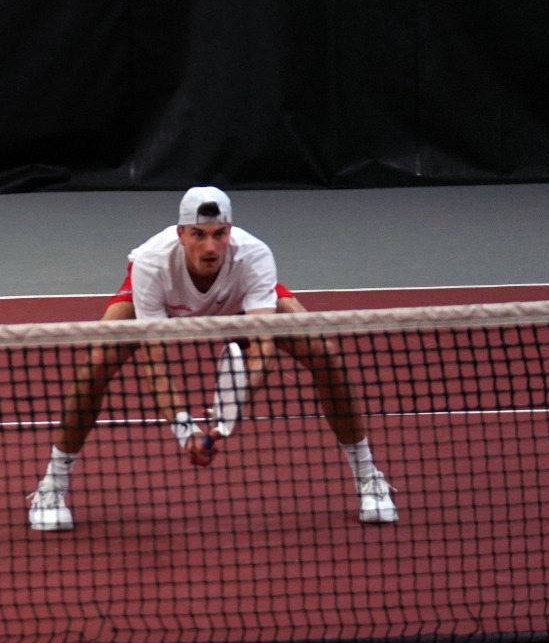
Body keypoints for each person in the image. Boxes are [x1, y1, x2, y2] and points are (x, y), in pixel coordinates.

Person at [26, 187, 397, 532]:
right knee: (97, 361)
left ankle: (368, 475)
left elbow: (262, 346)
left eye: (219, 234)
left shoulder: (254, 257)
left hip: (238, 303)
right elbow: (155, 362)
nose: (210, 246)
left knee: (325, 354)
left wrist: (231, 406)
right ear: (181, 233)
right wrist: (185, 431)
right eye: (199, 235)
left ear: (229, 232)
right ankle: (52, 485)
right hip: (167, 300)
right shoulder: (151, 264)